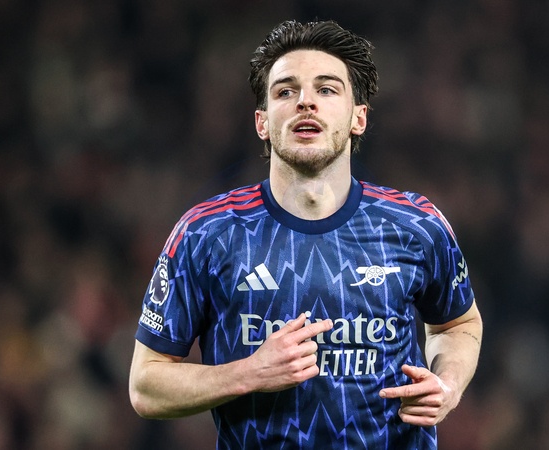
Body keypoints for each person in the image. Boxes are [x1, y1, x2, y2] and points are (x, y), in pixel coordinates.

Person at [129, 19, 483, 449]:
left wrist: (447, 385)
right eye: (285, 91)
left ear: (358, 118)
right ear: (262, 122)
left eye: (327, 89)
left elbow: (458, 324)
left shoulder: (416, 225)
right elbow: (146, 385)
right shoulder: (206, 234)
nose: (306, 102)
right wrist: (248, 373)